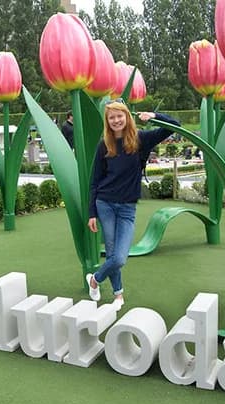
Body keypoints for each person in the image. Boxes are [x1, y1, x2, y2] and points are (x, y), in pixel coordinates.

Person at [86, 99, 179, 311]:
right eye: (112, 117)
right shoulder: (104, 145)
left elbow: (175, 126)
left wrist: (155, 117)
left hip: (127, 207)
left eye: (120, 116)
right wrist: (92, 212)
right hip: (105, 204)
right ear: (107, 122)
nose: (116, 120)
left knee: (119, 258)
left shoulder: (140, 140)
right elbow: (94, 181)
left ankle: (95, 278)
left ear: (127, 117)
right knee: (111, 255)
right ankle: (118, 295)